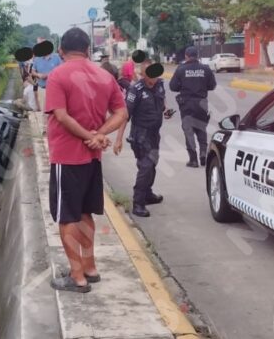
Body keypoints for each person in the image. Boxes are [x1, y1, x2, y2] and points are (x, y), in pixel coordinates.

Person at [45, 28, 128, 293]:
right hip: (92, 158)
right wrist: (99, 135)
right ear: (88, 50)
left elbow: (61, 115)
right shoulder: (104, 75)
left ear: (61, 50)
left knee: (67, 217)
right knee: (84, 213)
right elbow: (121, 112)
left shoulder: (58, 74)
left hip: (67, 156)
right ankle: (90, 267)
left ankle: (77, 276)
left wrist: (87, 136)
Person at [114, 62, 172, 218]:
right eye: (150, 74)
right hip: (141, 135)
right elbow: (125, 116)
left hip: (154, 134)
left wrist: (165, 110)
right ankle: (138, 203)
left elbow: (161, 101)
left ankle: (147, 193)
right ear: (142, 74)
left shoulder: (159, 85)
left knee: (153, 163)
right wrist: (118, 139)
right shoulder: (136, 90)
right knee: (145, 166)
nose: (154, 78)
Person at [169, 46, 217, 168]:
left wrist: (184, 86)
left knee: (188, 131)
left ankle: (193, 159)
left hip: (187, 104)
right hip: (201, 103)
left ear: (186, 56)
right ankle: (203, 154)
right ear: (197, 56)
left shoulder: (181, 69)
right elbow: (212, 86)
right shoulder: (205, 69)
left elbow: (173, 87)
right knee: (201, 129)